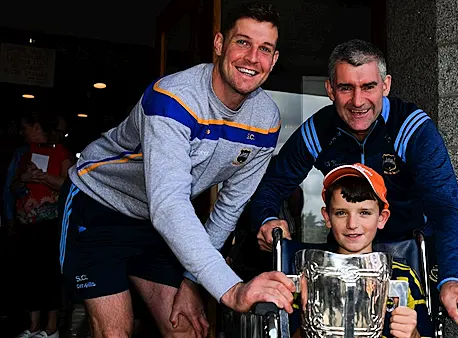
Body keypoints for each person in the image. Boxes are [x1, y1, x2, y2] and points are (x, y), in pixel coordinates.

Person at [58, 3, 295, 338]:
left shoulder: (266, 120)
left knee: (186, 328)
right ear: (218, 44)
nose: (252, 58)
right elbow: (169, 204)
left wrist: (193, 281)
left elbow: (229, 206)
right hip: (98, 205)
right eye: (242, 42)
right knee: (115, 330)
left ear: (273, 59)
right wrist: (232, 289)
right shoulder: (173, 98)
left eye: (265, 49)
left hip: (154, 227)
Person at [250, 39, 458, 324]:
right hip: (345, 258)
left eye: (369, 87)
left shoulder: (412, 128)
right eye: (345, 88)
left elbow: (445, 209)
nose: (358, 101)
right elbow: (272, 184)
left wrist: (453, 279)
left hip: (411, 254)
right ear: (329, 90)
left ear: (386, 85)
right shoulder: (319, 130)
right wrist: (265, 218)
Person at [291, 163, 432, 338]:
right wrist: (308, 322)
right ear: (327, 217)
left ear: (382, 218)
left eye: (364, 213)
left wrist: (413, 335)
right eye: (341, 213)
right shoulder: (310, 276)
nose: (352, 224)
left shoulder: (402, 276)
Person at [10, 111, 74, 338]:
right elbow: (14, 186)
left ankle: (51, 328)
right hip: (27, 223)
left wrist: (43, 177)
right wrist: (25, 178)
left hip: (50, 224)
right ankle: (34, 326)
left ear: (37, 127)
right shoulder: (26, 154)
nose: (23, 133)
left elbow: (69, 186)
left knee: (49, 274)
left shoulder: (63, 154)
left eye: (26, 128)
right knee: (29, 273)